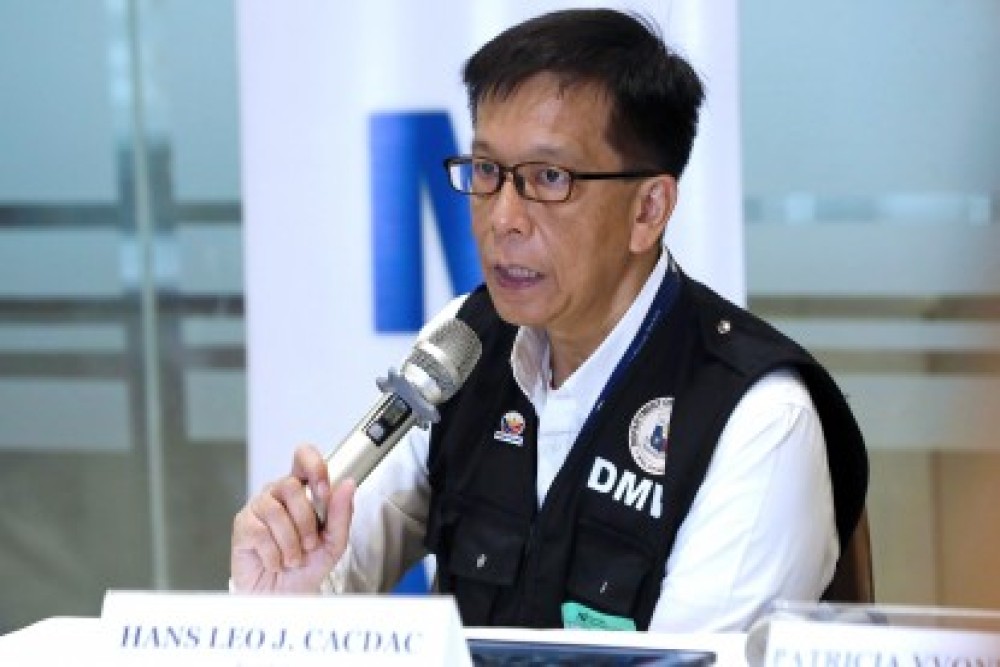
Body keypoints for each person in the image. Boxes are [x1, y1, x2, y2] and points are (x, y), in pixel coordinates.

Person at [231, 8, 868, 632]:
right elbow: (336, 568)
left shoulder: (759, 417)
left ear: (648, 209)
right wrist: (285, 596)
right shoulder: (464, 344)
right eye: (487, 171)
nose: (503, 217)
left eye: (549, 178)